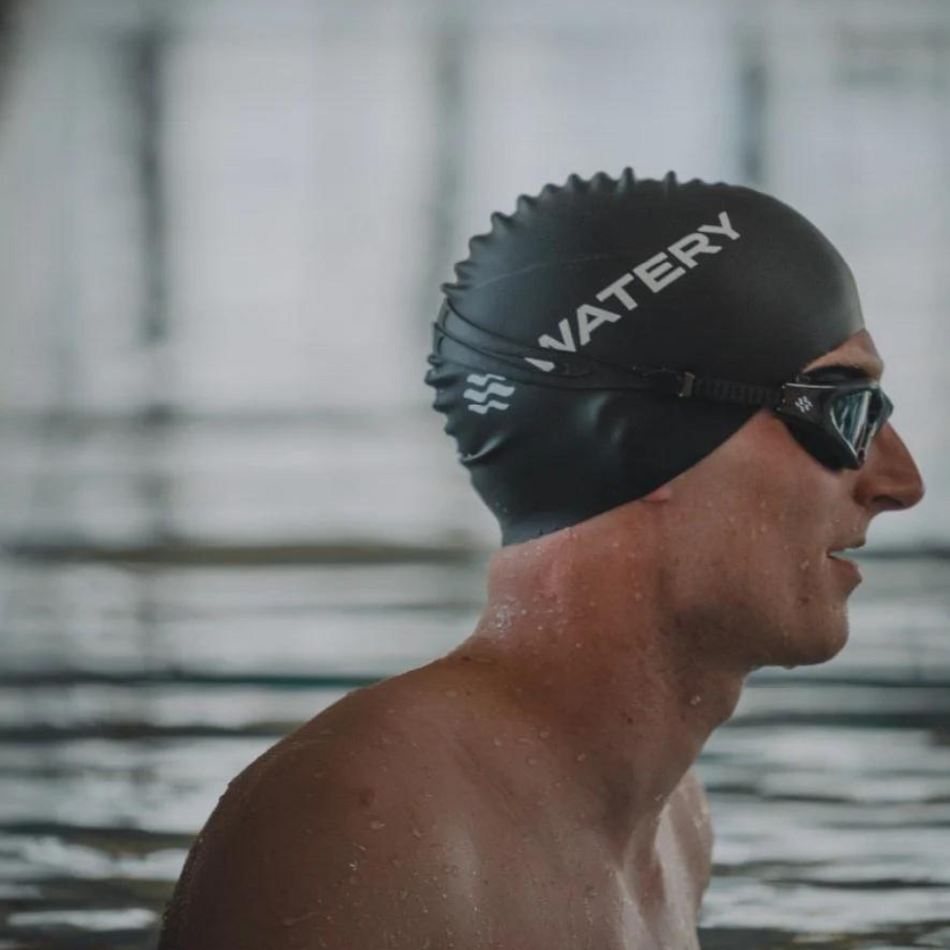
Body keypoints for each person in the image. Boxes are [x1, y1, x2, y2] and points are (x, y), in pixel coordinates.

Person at [157, 171, 924, 950]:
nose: (902, 482)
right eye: (842, 408)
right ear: (639, 438)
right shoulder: (365, 828)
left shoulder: (673, 823)